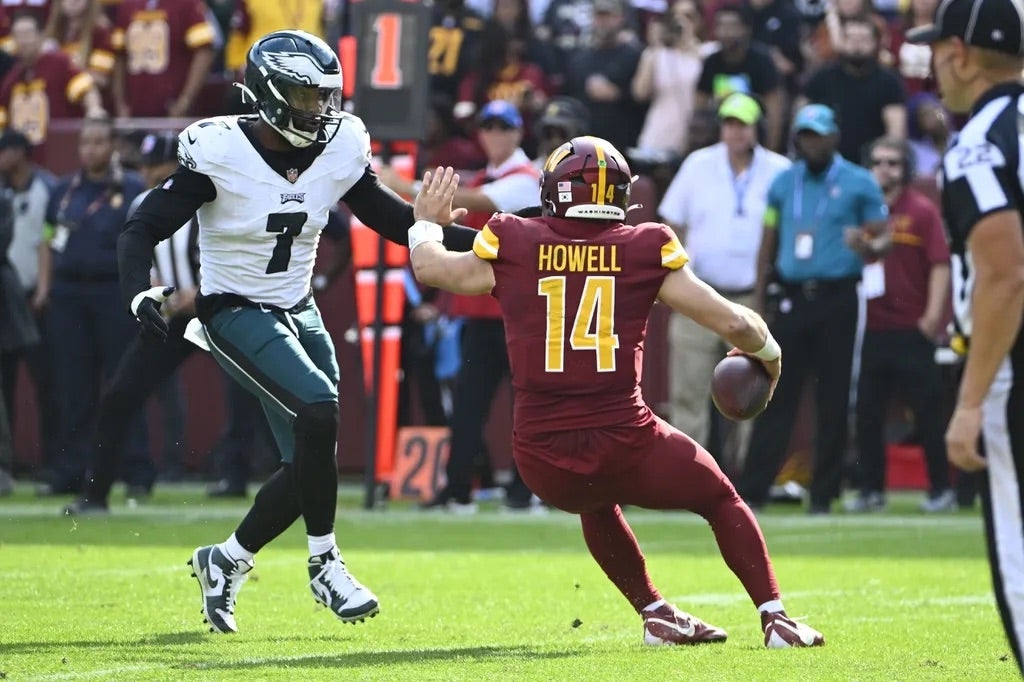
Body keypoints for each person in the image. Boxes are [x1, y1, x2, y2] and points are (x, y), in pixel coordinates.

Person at [116, 30, 479, 634]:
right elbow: (141, 226)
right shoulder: (220, 150)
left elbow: (386, 218)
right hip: (233, 310)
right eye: (305, 98)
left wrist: (494, 241)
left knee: (311, 457)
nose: (320, 111)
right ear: (268, 93)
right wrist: (137, 289)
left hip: (298, 307)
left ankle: (225, 560)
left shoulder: (340, 143)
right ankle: (324, 563)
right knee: (318, 410)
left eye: (325, 98)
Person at [405, 139, 824, 649]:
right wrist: (772, 359)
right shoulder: (643, 246)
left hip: (540, 457)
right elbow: (732, 320)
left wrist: (426, 220)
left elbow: (431, 268)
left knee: (594, 499)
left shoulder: (513, 239)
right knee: (719, 497)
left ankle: (655, 614)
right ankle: (775, 617)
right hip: (625, 440)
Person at [907, 0, 1024, 671]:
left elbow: (1005, 276)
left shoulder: (980, 141)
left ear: (962, 53)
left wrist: (973, 398)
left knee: (1018, 557)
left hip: (1014, 363)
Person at [737, 104, 891, 514]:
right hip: (791, 294)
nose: (811, 142)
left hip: (838, 296)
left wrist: (867, 246)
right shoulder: (785, 183)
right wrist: (758, 299)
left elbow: (883, 238)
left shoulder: (859, 183)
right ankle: (754, 488)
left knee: (834, 396)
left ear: (834, 137)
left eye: (818, 135)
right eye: (805, 135)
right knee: (777, 393)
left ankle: (823, 493)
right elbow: (769, 238)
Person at [61, 131, 198, 515]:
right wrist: (145, 284)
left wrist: (203, 293)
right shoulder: (142, 201)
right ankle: (95, 494)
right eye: (148, 166)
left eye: (161, 166)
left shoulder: (210, 198)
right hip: (171, 319)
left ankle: (299, 484)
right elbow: (134, 253)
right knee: (120, 396)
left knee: (263, 396)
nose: (153, 174)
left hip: (219, 314)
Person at [657, 93, 790, 472]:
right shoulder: (698, 164)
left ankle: (748, 477)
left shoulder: (778, 169)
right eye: (729, 123)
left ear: (755, 128)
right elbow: (672, 220)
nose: (735, 131)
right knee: (688, 389)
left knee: (752, 393)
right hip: (700, 293)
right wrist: (682, 271)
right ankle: (687, 475)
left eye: (743, 124)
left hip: (751, 296)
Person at [846, 137, 952, 513]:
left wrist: (931, 319)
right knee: (869, 414)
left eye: (892, 163)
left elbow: (940, 263)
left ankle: (942, 489)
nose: (884, 169)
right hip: (871, 328)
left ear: (904, 170)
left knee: (927, 413)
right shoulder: (861, 212)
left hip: (912, 327)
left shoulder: (921, 211)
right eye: (877, 162)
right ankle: (871, 490)